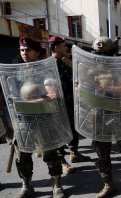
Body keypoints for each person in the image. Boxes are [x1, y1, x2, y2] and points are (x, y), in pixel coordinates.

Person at [82, 36, 121, 198]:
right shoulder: (89, 70)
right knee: (102, 155)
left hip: (118, 115)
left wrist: (108, 88)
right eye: (98, 53)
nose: (101, 56)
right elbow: (81, 92)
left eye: (104, 53)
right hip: (98, 117)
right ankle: (108, 184)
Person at [13, 37, 66, 198]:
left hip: (44, 118)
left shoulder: (45, 71)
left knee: (50, 154)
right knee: (22, 155)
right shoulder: (16, 71)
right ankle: (27, 185)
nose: (24, 53)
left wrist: (31, 101)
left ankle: (56, 185)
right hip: (23, 119)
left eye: (28, 50)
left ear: (37, 52)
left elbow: (53, 95)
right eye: (22, 50)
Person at [48, 36, 91, 174]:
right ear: (56, 47)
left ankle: (74, 153)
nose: (67, 48)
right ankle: (61, 161)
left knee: (73, 129)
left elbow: (79, 77)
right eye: (64, 45)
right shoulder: (49, 64)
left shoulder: (64, 61)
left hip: (71, 101)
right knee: (60, 132)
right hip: (58, 105)